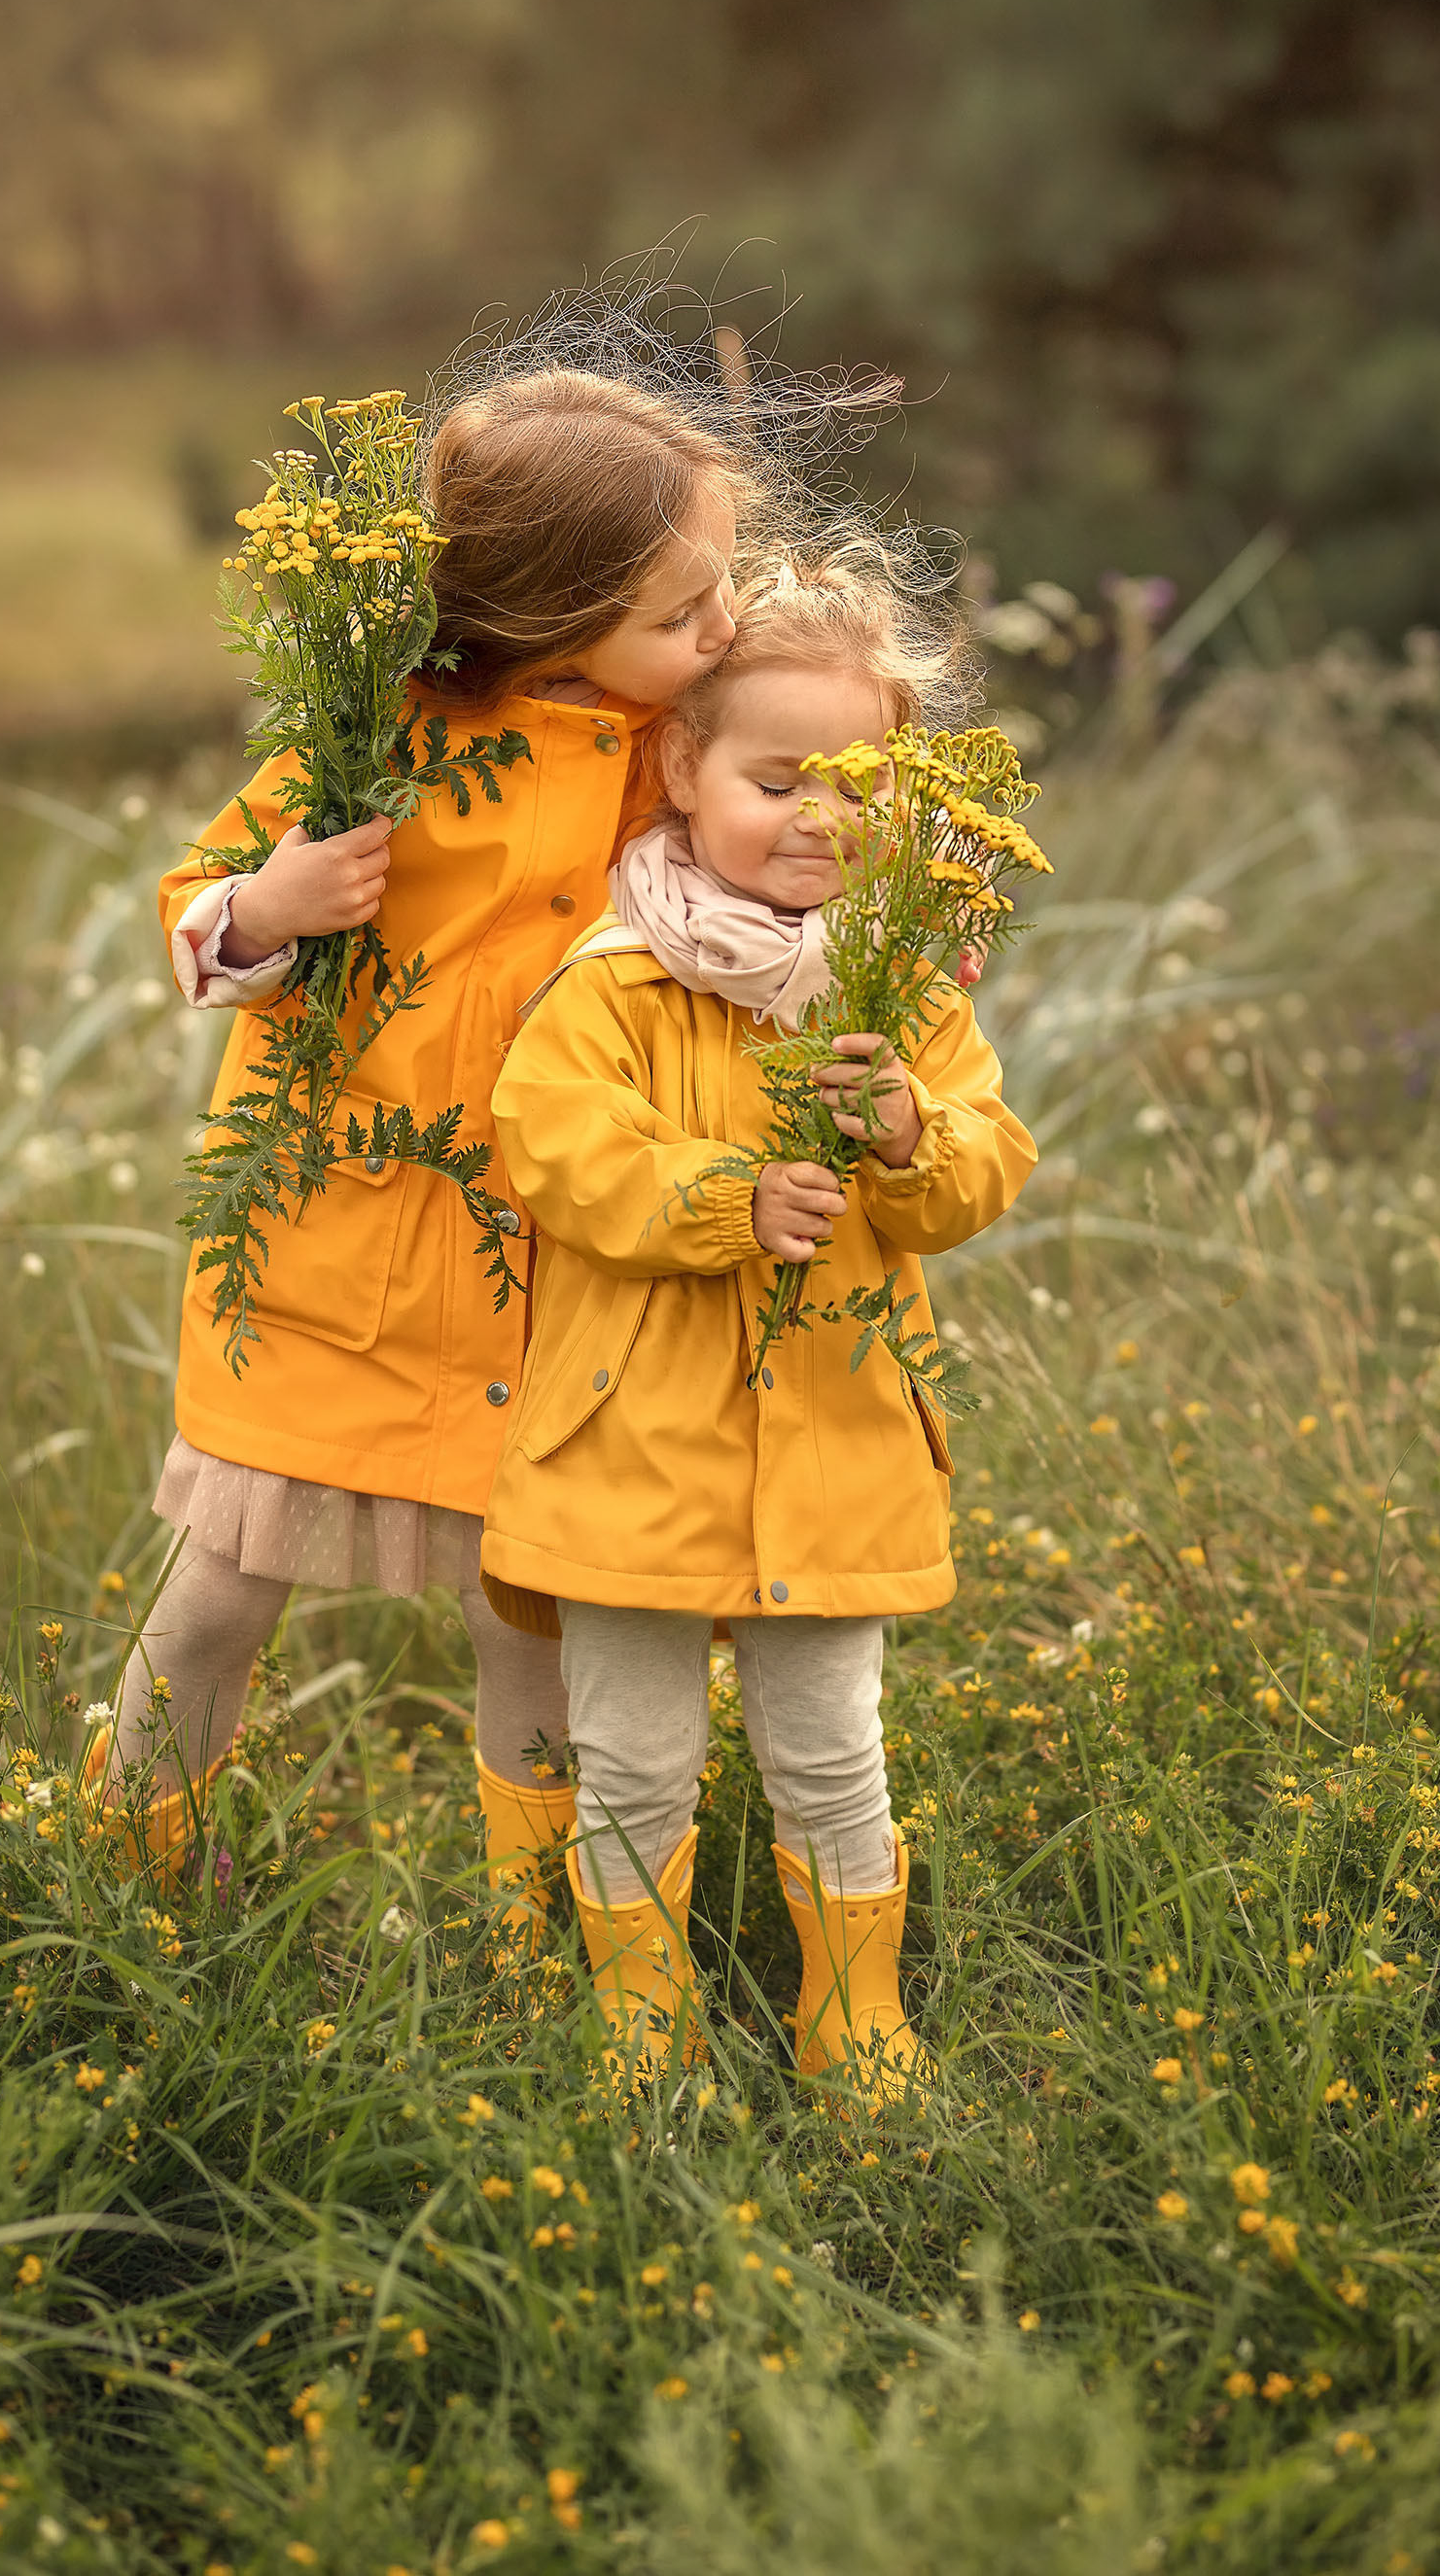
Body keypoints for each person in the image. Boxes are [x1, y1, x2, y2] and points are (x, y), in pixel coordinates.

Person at [102, 339, 767, 1922]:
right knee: (219, 1591)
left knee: (526, 1613)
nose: (723, 627)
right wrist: (271, 903)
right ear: (544, 617)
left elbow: (767, 892)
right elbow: (194, 920)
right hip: (331, 1256)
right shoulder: (375, 741)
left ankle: (538, 1935)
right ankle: (123, 1882)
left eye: (724, 590)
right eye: (683, 612)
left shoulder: (673, 756)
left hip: (551, 1273)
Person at [481, 540, 1038, 2090]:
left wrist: (911, 1134)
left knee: (832, 1751)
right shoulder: (614, 980)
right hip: (630, 1446)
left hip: (839, 1438)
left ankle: (855, 2017)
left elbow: (983, 1163)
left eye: (863, 786)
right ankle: (637, 2017)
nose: (823, 818)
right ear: (682, 769)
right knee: (635, 1760)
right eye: (778, 780)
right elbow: (554, 1147)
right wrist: (729, 1199)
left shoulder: (906, 993)